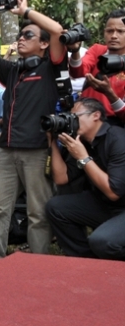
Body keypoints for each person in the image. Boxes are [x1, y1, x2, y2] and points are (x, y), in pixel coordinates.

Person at [0, 0, 67, 257]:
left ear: (43, 44)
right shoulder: (13, 70)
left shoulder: (51, 67)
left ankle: (38, 264)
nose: (21, 39)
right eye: (20, 35)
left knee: (37, 212)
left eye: (28, 35)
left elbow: (57, 30)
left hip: (37, 150)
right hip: (6, 150)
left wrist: (26, 11)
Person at [46, 98, 125, 260]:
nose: (71, 121)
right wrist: (52, 141)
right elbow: (61, 178)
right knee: (56, 207)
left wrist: (83, 157)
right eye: (70, 117)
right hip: (106, 205)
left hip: (120, 204)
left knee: (102, 241)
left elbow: (113, 192)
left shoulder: (118, 139)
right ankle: (86, 261)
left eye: (76, 116)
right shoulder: (82, 142)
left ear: (96, 115)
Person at [67, 9, 125, 125]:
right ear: (104, 32)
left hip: (112, 124)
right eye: (110, 31)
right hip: (84, 120)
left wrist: (109, 93)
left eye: (120, 31)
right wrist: (75, 50)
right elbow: (77, 72)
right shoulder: (98, 50)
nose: (114, 36)